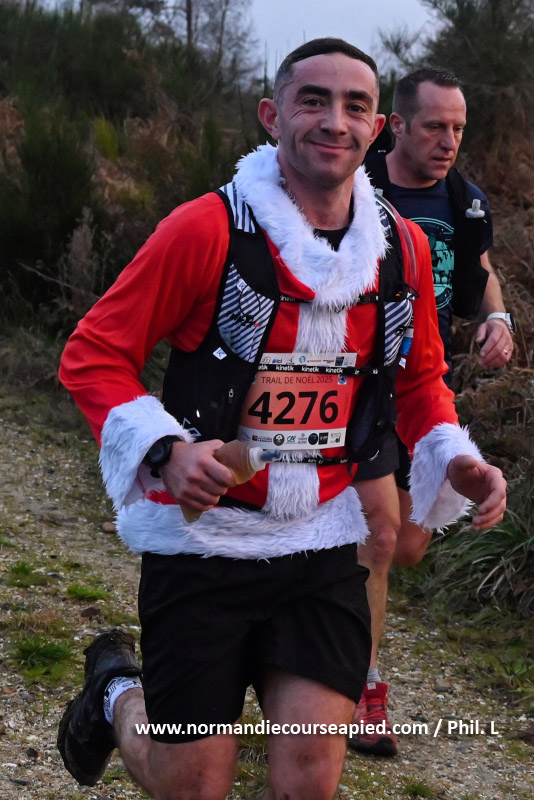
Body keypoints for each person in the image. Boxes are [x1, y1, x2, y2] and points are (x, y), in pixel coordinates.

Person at [57, 41, 506, 800]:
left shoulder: (401, 248)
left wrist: (455, 458)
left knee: (308, 780)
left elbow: (419, 381)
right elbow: (94, 353)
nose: (334, 121)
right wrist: (165, 450)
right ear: (271, 115)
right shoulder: (206, 229)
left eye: (355, 106)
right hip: (205, 545)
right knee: (193, 786)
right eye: (312, 101)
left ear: (378, 129)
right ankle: (115, 696)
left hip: (323, 542)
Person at [349, 67, 515, 758]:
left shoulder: (463, 201)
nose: (448, 141)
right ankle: (360, 689)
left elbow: (481, 270)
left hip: (421, 389)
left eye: (459, 129)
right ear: (395, 126)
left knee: (406, 543)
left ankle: (315, 607)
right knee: (378, 539)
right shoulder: (357, 186)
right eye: (435, 127)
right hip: (353, 387)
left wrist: (498, 317)